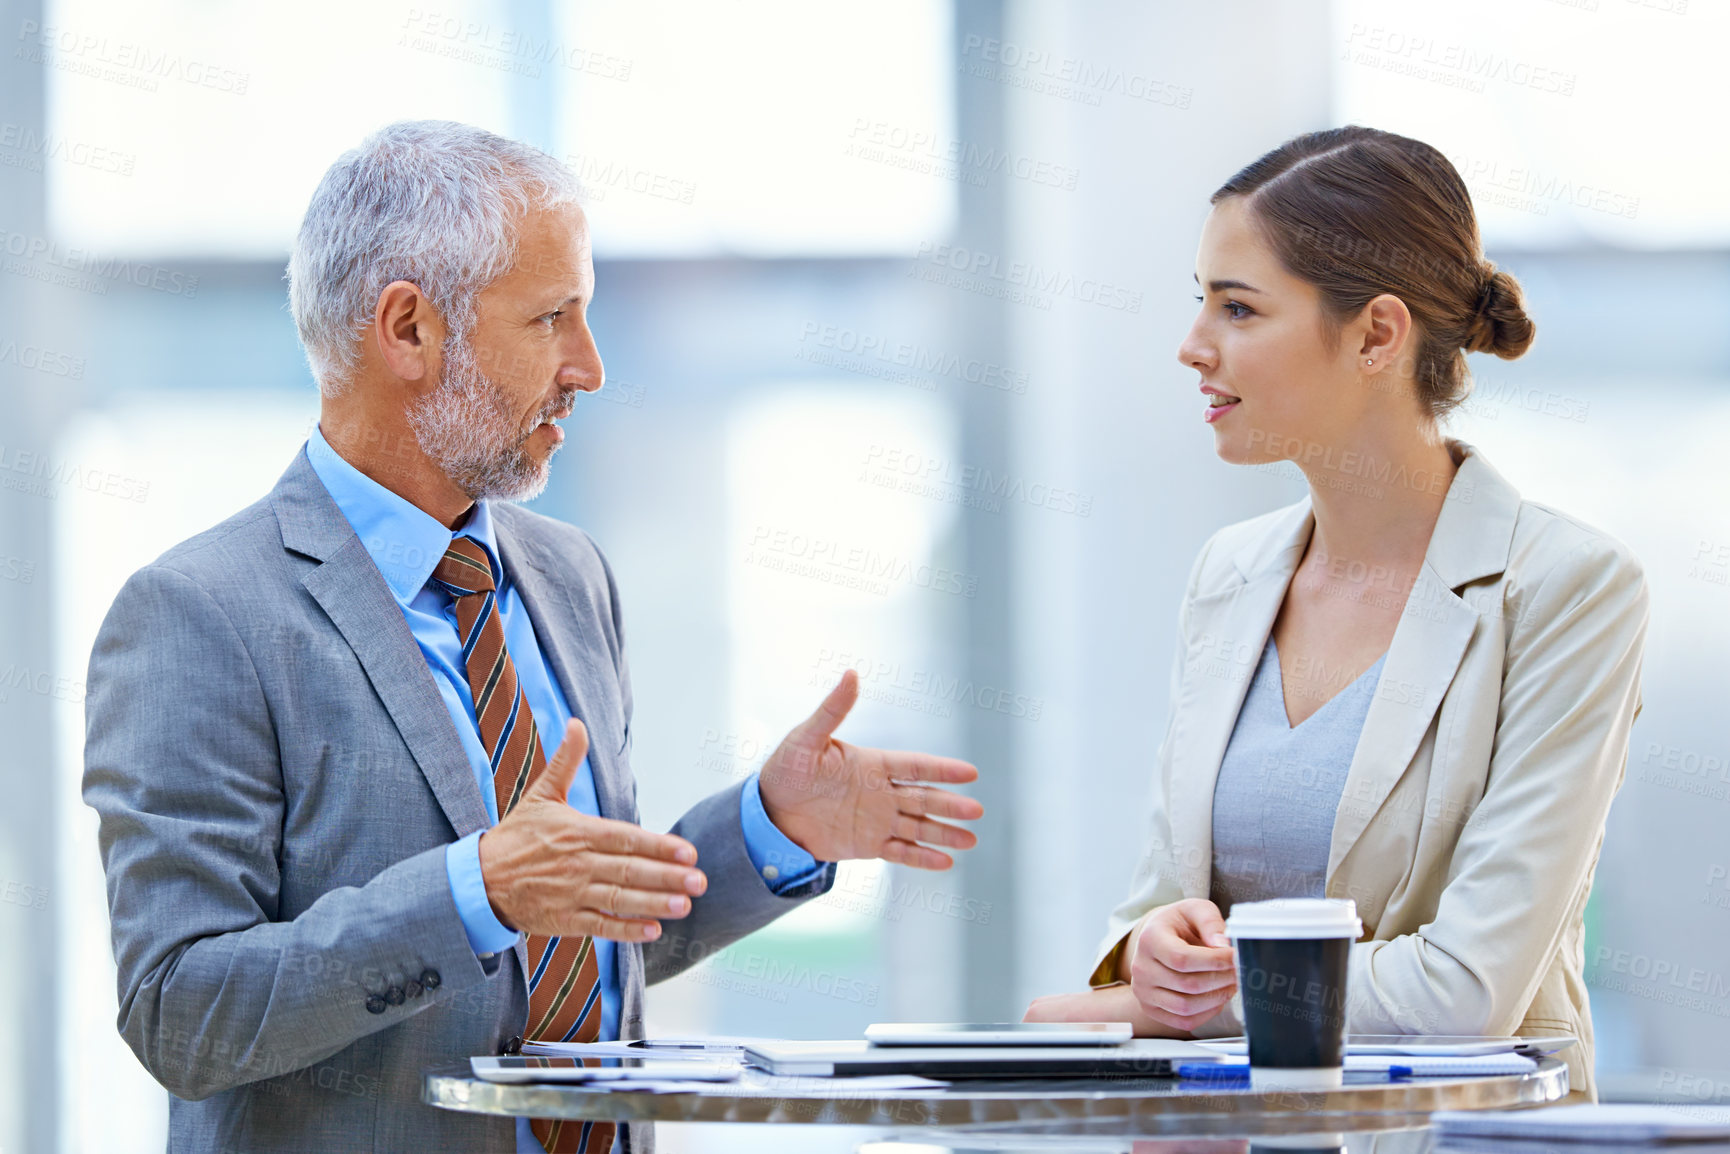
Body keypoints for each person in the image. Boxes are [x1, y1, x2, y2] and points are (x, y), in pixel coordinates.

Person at [82, 121, 984, 1154]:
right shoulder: (201, 613)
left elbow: (578, 940)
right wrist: (478, 889)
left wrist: (771, 826)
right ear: (408, 330)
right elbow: (182, 1012)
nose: (589, 368)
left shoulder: (567, 576)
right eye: (551, 318)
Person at [1023, 126, 1648, 1101]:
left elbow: (1466, 990)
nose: (1192, 346)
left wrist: (1191, 998)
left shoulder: (1565, 587)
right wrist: (1138, 960)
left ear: (1375, 335)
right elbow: (1151, 910)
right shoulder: (1227, 575)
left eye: (1236, 307)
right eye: (1202, 302)